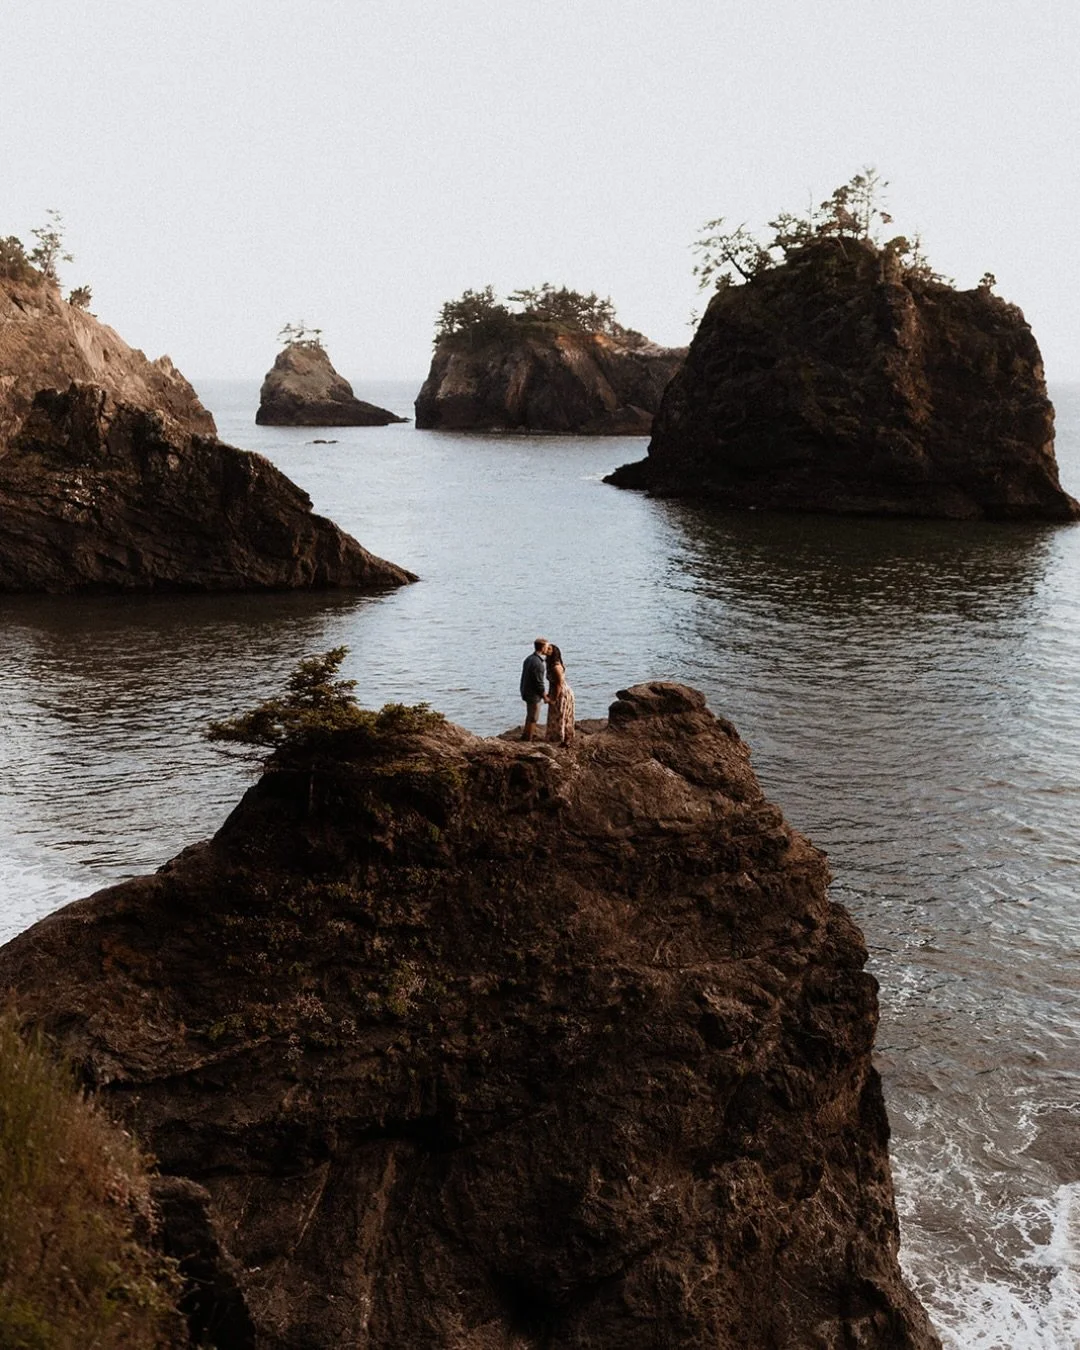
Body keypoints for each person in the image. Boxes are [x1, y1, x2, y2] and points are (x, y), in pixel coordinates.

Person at [544, 643, 576, 746]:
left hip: (562, 693)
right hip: (558, 691)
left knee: (560, 715)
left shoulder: (556, 667)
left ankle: (563, 739)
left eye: (549, 649)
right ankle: (564, 739)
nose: (546, 650)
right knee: (561, 716)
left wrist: (553, 698)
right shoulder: (552, 665)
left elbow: (558, 684)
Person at [520, 637, 549, 741]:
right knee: (534, 717)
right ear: (542, 648)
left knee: (529, 714)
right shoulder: (538, 664)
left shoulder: (529, 659)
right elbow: (539, 683)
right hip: (533, 694)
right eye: (546, 647)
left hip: (525, 691)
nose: (548, 649)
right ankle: (528, 738)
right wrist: (545, 696)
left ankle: (526, 734)